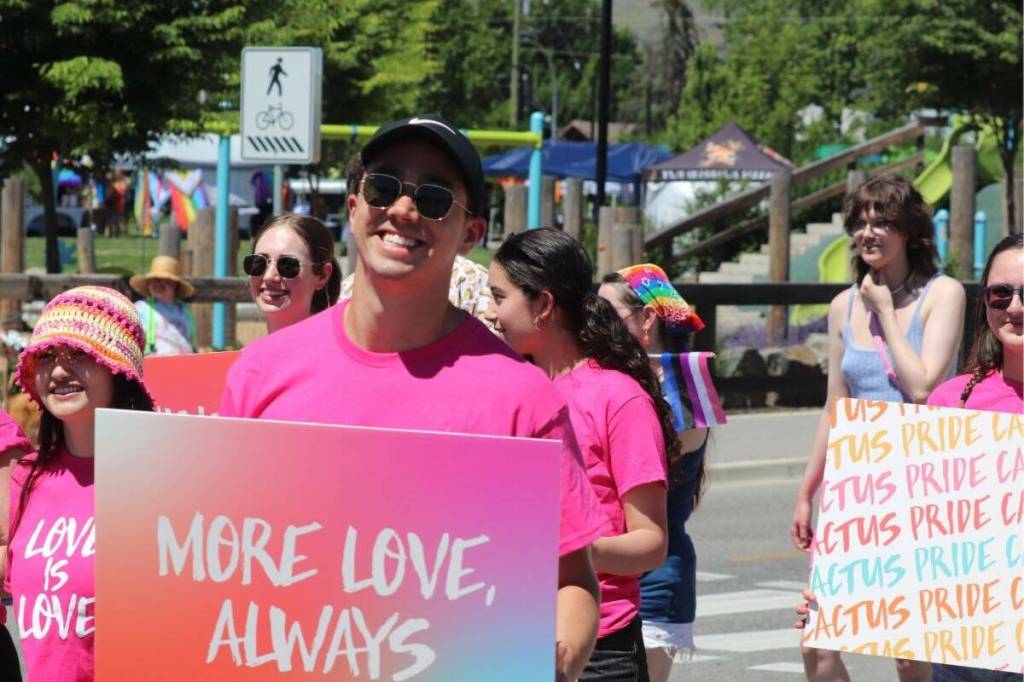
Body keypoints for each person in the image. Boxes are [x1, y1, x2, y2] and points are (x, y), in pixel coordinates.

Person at [219, 114, 603, 681]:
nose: (403, 209)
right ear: (354, 206)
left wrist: (560, 656)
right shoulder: (259, 373)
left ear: (471, 234)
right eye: (384, 186)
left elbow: (573, 579)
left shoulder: (522, 398)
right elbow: (216, 559)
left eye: (434, 196)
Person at [791, 175, 966, 682]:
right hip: (855, 491)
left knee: (910, 653)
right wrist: (808, 491)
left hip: (920, 492)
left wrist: (886, 311)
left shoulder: (943, 294)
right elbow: (834, 407)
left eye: (883, 221)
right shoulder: (843, 306)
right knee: (818, 642)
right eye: (862, 222)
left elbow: (923, 386)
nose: (869, 232)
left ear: (910, 231)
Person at [487, 228, 676, 682]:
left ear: (544, 305)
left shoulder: (618, 398)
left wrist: (561, 548)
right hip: (508, 635)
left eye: (500, 297)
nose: (491, 314)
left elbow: (650, 543)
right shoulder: (507, 389)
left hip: (600, 649)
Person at [5, 286, 154, 681]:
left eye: (81, 354)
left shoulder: (161, 481)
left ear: (117, 369)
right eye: (48, 356)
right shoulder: (27, 477)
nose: (58, 370)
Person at [598, 264, 708, 682]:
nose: (594, 321)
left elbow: (662, 452)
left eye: (607, 313)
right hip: (603, 577)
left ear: (646, 319)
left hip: (655, 580)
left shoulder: (686, 389)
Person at [245, 213, 341, 334]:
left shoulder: (333, 351)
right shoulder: (250, 353)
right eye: (259, 263)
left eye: (287, 265)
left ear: (322, 275)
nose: (269, 276)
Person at [131, 255, 195, 355]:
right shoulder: (141, 308)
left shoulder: (183, 310)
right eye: (153, 280)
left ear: (174, 284)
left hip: (185, 363)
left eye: (164, 280)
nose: (158, 284)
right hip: (155, 363)